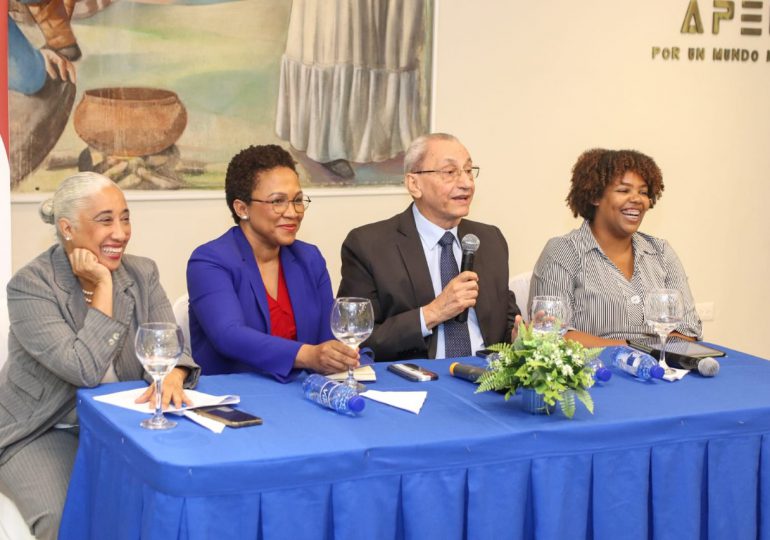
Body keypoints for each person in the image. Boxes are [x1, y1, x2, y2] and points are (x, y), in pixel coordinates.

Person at [0, 172, 199, 540]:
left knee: (167, 498)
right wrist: (104, 285)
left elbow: (172, 346)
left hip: (121, 424)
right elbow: (84, 369)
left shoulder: (142, 272)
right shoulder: (31, 286)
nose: (121, 232)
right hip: (43, 429)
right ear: (68, 229)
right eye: (106, 220)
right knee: (67, 517)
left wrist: (173, 375)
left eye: (125, 217)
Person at [338, 132, 521, 361]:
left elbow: (504, 324)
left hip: (486, 380)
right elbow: (358, 341)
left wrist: (520, 337)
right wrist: (433, 312)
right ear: (414, 184)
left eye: (468, 171)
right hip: (417, 383)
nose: (466, 183)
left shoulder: (490, 239)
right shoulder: (368, 245)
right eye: (450, 172)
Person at [186, 144, 360, 380]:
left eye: (298, 200)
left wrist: (345, 356)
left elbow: (328, 336)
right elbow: (229, 336)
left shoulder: (308, 258)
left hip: (302, 394)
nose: (293, 212)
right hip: (236, 398)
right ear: (242, 208)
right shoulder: (210, 261)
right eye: (278, 201)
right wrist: (308, 355)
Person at [530, 148, 702, 347]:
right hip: (593, 372)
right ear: (595, 196)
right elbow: (552, 335)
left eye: (643, 192)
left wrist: (643, 354)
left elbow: (688, 331)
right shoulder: (563, 251)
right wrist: (634, 349)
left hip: (660, 372)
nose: (637, 199)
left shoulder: (661, 252)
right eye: (623, 190)